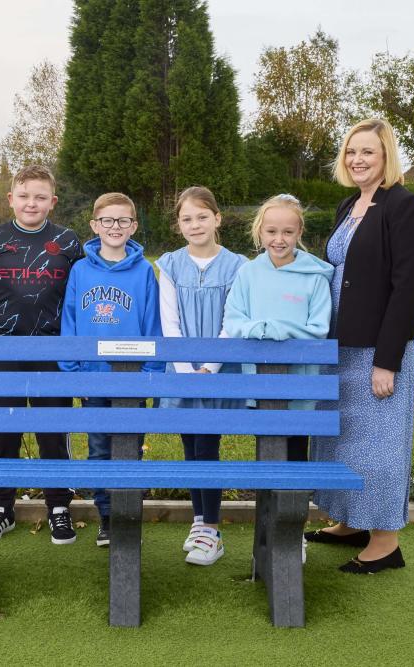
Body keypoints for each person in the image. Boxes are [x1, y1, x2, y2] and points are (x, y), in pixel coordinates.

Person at [307, 118, 414, 574]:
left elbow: (407, 288)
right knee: (344, 438)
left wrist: (387, 361)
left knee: (379, 443)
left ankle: (385, 542)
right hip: (339, 343)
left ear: (386, 158)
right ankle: (350, 521)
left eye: (368, 153)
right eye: (351, 152)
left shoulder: (405, 206)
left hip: (378, 347)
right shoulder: (348, 205)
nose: (357, 160)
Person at [0, 165, 84, 545]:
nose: (31, 203)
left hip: (53, 349)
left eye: (40, 197)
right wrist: (7, 322)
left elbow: (78, 293)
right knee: (3, 429)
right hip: (4, 347)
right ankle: (0, 507)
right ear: (10, 199)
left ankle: (58, 507)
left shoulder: (69, 242)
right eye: (23, 196)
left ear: (52, 201)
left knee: (53, 430)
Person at [223, 193, 334, 564]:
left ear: (299, 232)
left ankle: (292, 533)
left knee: (294, 460)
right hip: (260, 386)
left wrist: (272, 329)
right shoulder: (248, 272)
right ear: (260, 231)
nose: (279, 239)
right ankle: (266, 539)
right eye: (271, 230)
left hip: (299, 389)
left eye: (288, 231)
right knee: (267, 458)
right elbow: (235, 322)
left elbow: (317, 328)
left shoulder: (314, 276)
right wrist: (264, 328)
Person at [58, 192, 164, 547]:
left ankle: (126, 514)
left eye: (122, 221)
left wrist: (151, 371)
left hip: (131, 377)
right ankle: (106, 517)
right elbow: (70, 322)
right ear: (94, 225)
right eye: (107, 220)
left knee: (130, 447)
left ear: (133, 226)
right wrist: (74, 372)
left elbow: (153, 324)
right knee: (100, 448)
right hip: (93, 376)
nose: (114, 227)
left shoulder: (144, 271)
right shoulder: (81, 269)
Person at [155, 186, 247, 566]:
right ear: (179, 224)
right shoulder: (171, 265)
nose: (195, 224)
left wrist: (209, 366)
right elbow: (169, 321)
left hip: (218, 368)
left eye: (202, 217)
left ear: (217, 219)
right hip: (182, 368)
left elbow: (233, 320)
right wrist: (185, 369)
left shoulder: (238, 265)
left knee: (207, 444)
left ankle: (211, 529)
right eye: (187, 218)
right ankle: (199, 522)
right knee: (190, 444)